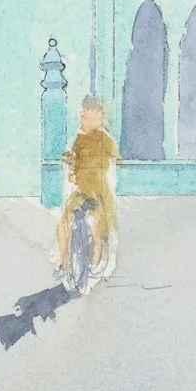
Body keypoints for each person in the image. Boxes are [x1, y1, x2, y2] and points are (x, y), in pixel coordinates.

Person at [55, 95, 118, 285]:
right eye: (85, 117)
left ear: (99, 118)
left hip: (99, 190)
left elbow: (115, 161)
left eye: (94, 117)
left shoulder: (105, 139)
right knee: (64, 222)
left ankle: (97, 263)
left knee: (99, 224)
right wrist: (72, 161)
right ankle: (65, 265)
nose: (88, 121)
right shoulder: (78, 139)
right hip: (81, 190)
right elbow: (74, 164)